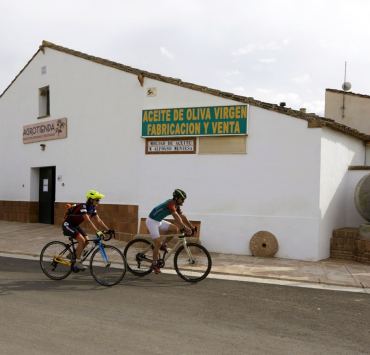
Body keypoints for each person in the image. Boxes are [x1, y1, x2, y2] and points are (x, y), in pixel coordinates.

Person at [146, 189, 195, 274]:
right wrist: (185, 227)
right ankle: (154, 264)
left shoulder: (176, 205)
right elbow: (176, 216)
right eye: (182, 199)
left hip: (159, 221)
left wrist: (191, 226)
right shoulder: (171, 203)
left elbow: (182, 216)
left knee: (174, 229)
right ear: (176, 198)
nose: (183, 201)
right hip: (152, 221)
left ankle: (163, 245)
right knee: (157, 243)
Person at [62, 189, 111, 271]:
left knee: (87, 240)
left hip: (75, 225)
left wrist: (108, 229)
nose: (98, 202)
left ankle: (73, 255)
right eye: (97, 200)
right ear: (91, 200)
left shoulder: (93, 208)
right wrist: (97, 231)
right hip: (67, 225)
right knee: (81, 240)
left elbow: (98, 220)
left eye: (99, 200)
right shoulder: (83, 206)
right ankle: (77, 263)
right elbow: (88, 220)